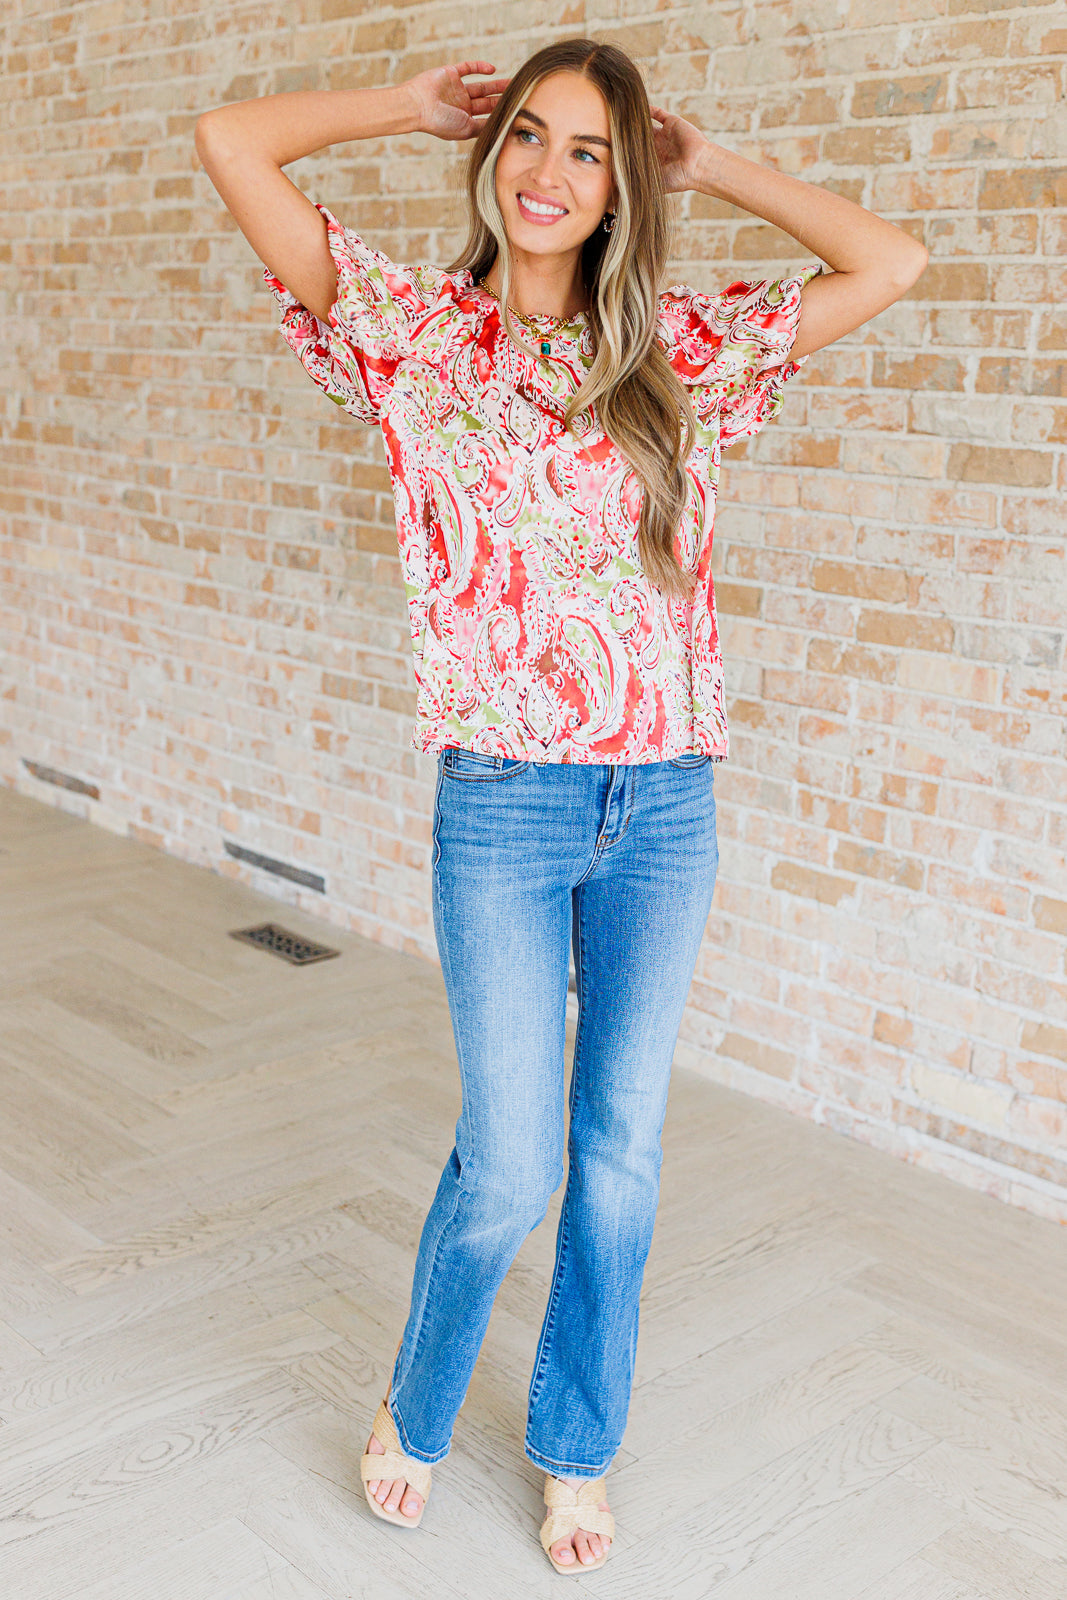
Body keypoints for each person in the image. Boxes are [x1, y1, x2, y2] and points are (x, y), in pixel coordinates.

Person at [195, 36, 926, 1574]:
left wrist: (709, 163)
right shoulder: (410, 330)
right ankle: (417, 1400)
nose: (547, 171)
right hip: (508, 808)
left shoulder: (675, 350)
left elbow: (893, 257)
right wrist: (400, 105)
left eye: (589, 151)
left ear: (619, 183)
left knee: (622, 1157)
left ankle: (576, 1445)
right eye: (529, 136)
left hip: (663, 804)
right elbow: (231, 141)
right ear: (492, 148)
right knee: (516, 1159)